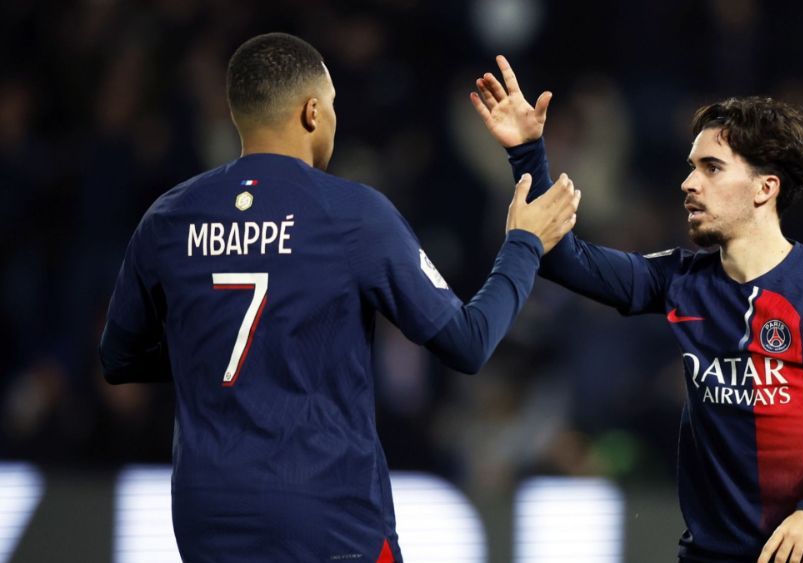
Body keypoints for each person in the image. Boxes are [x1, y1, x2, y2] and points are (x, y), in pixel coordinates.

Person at [98, 33, 580, 563]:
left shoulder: (168, 217)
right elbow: (467, 343)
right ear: (311, 112)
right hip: (325, 512)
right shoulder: (351, 215)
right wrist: (524, 246)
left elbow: (118, 358)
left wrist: (221, 353)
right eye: (331, 106)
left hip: (206, 513)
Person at [470, 56, 803, 563]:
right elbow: (565, 259)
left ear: (764, 188)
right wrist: (528, 153)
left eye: (711, 168)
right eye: (690, 167)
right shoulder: (681, 280)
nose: (688, 183)